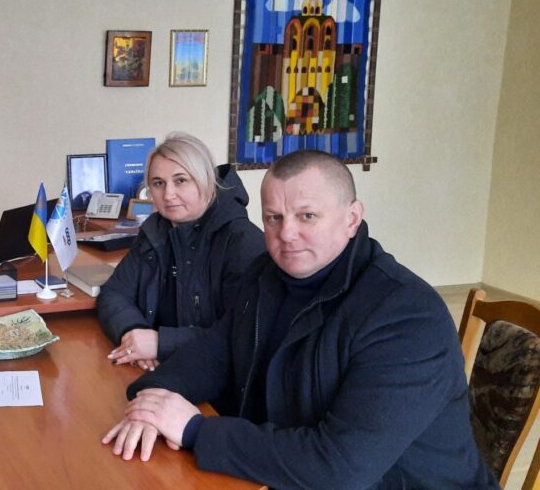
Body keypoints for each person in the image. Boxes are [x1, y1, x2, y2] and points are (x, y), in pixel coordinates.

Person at [102, 150, 497, 489]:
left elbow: (340, 467)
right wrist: (152, 401)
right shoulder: (265, 275)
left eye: (307, 216)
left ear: (352, 218)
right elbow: (212, 355)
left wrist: (195, 430)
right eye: (273, 218)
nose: (286, 234)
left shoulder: (406, 315)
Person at [97, 132, 265, 370]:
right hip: (159, 366)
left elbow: (240, 333)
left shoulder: (242, 242)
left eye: (181, 181)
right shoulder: (155, 230)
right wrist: (134, 332)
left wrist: (160, 343)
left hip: (214, 377)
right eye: (158, 183)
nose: (168, 195)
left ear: (206, 182)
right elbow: (114, 292)